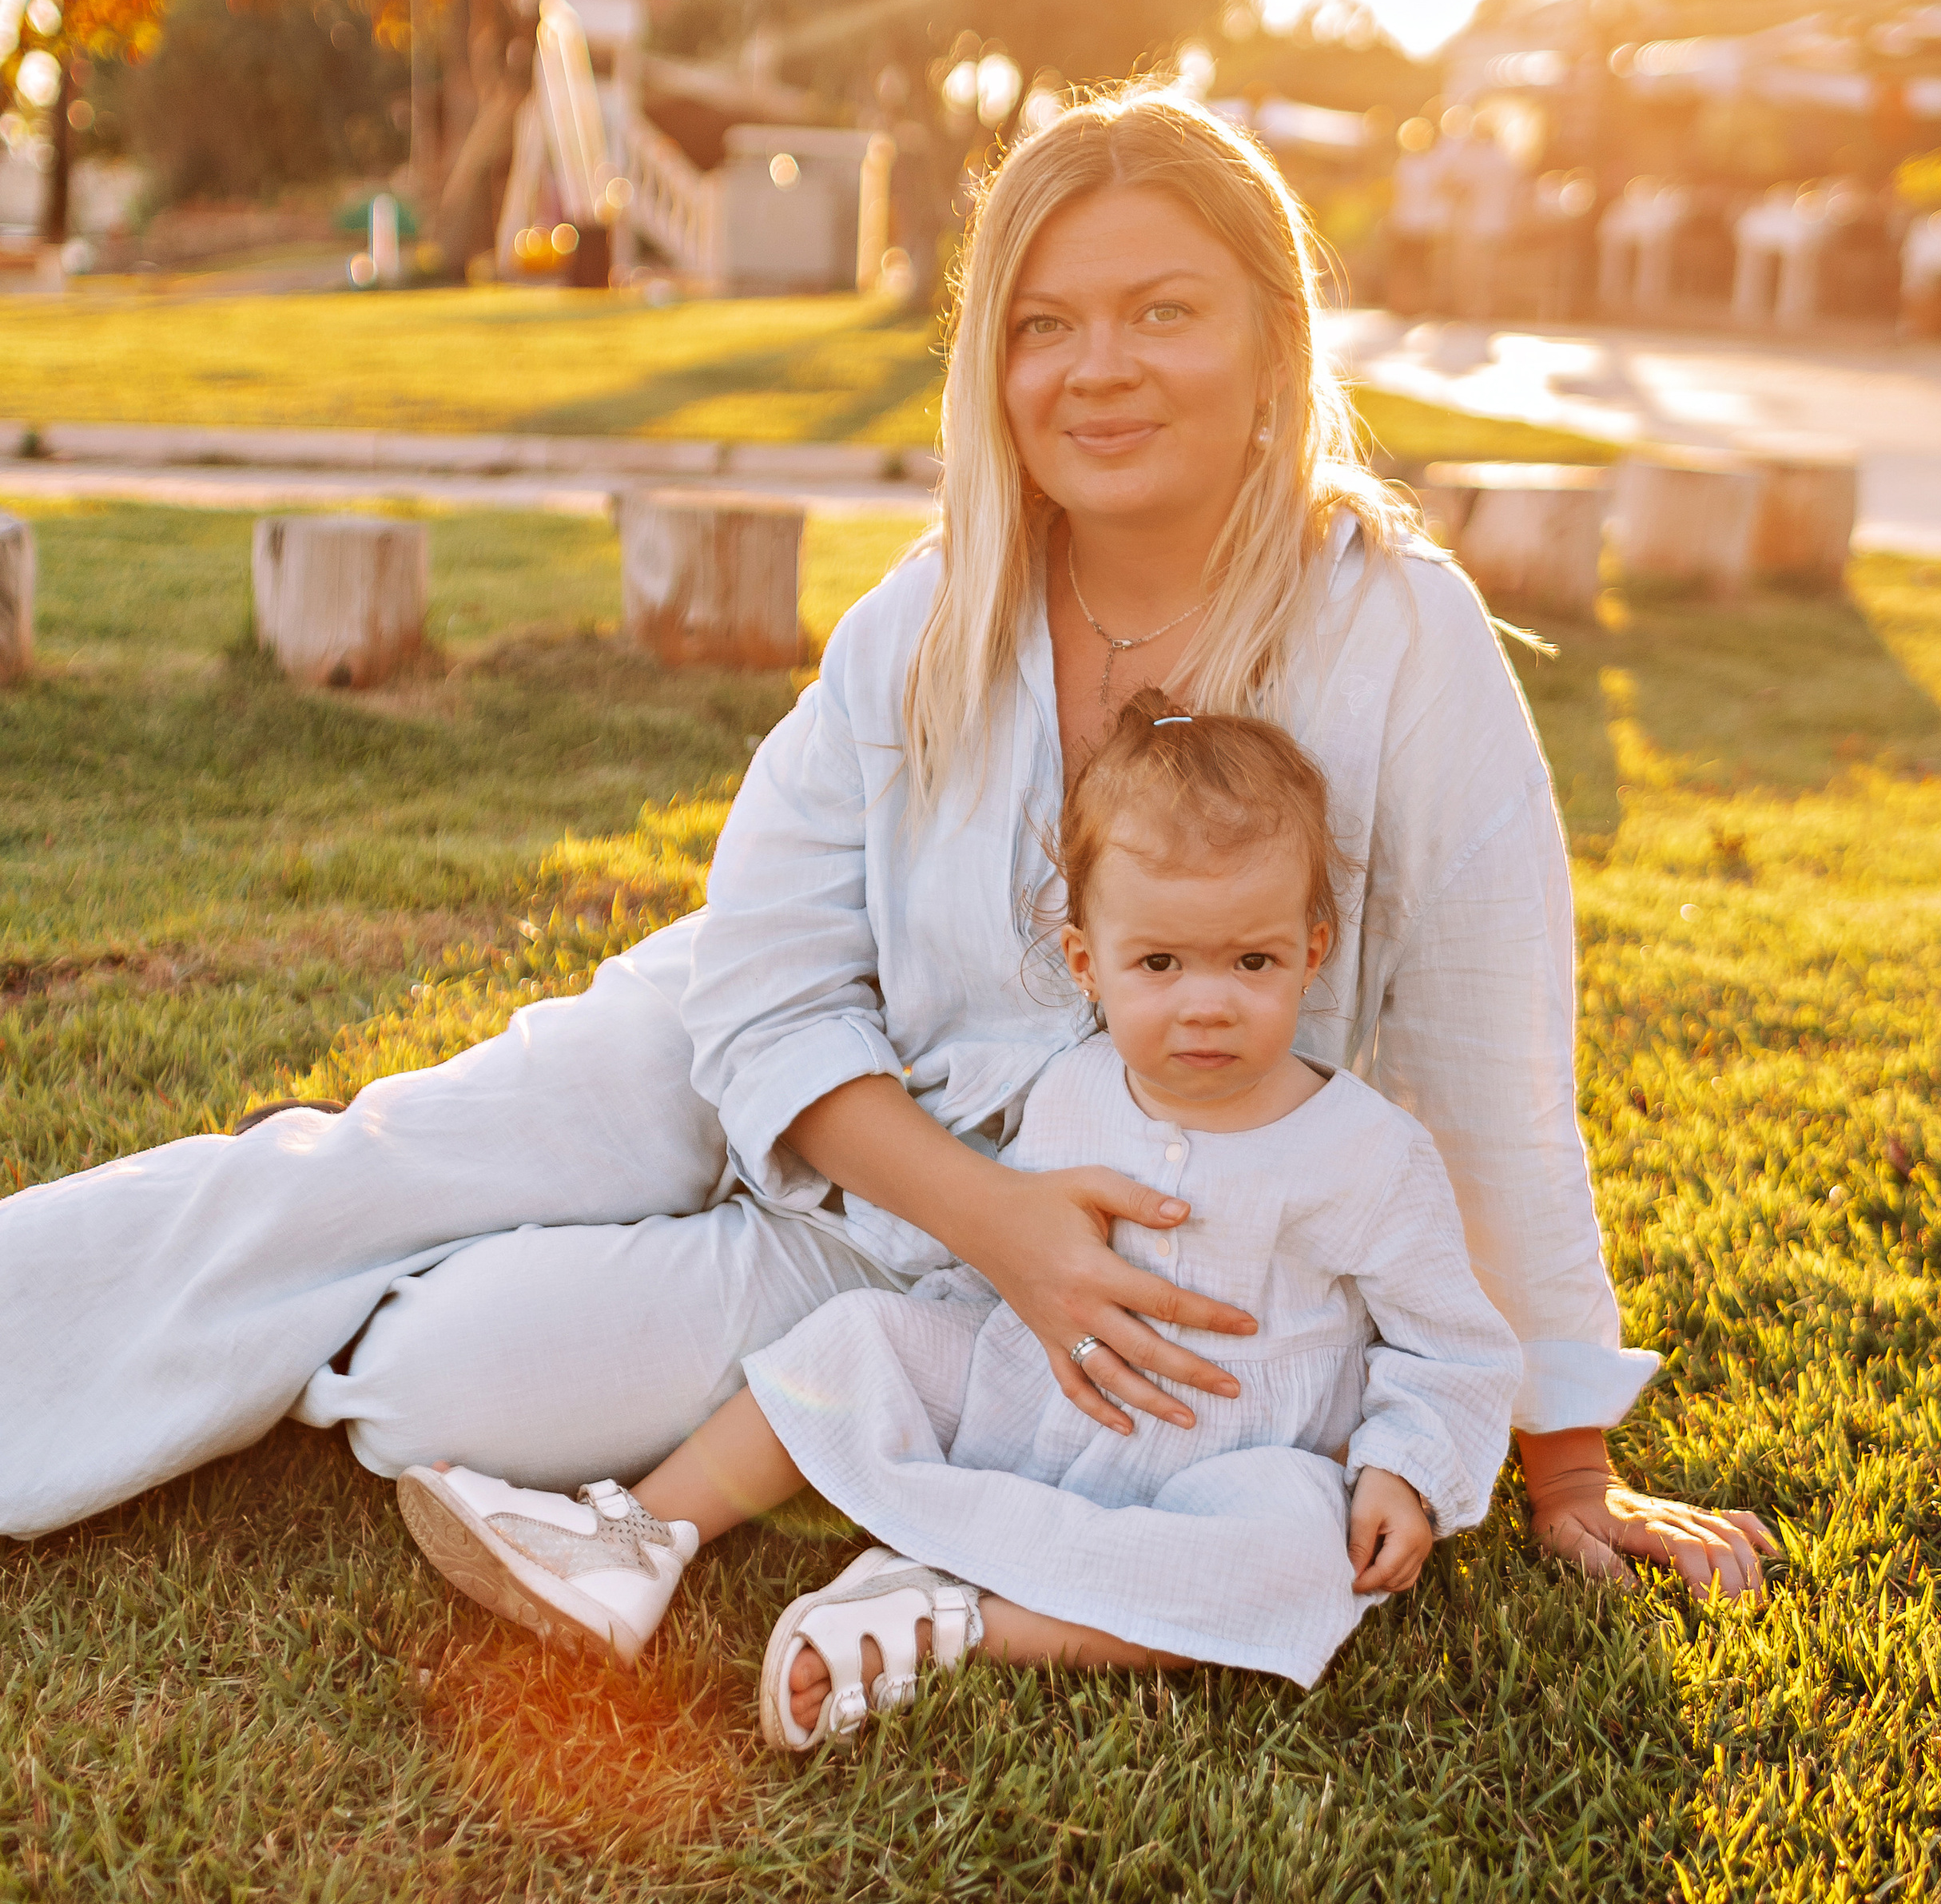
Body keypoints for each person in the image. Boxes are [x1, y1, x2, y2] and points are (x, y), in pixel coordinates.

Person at [0, 88, 1773, 1601]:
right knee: (366, 1169)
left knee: (430, 1387)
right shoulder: (933, 608)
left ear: (1268, 345)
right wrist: (993, 1215)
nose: (1094, 371)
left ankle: (359, 1307)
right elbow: (764, 974)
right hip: (758, 1057)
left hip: (909, 1257)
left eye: (1161, 312)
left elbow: (1487, 1074)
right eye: (1040, 323)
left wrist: (1562, 1473)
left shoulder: (1397, 634)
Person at [396, 698, 1524, 1743]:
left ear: (1313, 950)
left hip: (1230, 1458)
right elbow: (1005, 1271)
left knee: (1292, 1554)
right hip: (1034, 1401)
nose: (1207, 1000)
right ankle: (633, 1541)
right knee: (860, 1343)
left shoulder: (1366, 1152)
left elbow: (1446, 1343)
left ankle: (954, 1621)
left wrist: (1402, 1469)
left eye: (1254, 960)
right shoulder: (1075, 1094)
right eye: (1161, 962)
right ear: (1089, 962)